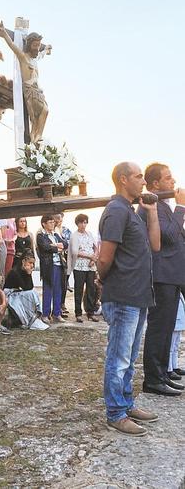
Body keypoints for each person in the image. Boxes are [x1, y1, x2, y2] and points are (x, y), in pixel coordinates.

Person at [97, 161, 161, 436]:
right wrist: (105, 280)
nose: (143, 182)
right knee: (119, 358)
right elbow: (104, 258)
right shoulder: (116, 211)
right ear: (123, 179)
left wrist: (152, 211)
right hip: (123, 296)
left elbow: (155, 246)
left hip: (138, 296)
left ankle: (126, 403)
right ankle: (115, 413)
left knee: (130, 357)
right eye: (138, 177)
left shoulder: (132, 211)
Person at [137, 163, 185, 396]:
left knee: (167, 328)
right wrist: (181, 207)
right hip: (162, 276)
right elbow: (167, 235)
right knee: (159, 328)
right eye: (168, 178)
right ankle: (153, 379)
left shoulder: (164, 205)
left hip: (173, 275)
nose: (173, 181)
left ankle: (163, 374)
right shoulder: (151, 206)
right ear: (155, 183)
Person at [67, 214, 99, 323]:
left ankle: (90, 312)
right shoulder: (74, 235)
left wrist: (93, 259)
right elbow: (75, 251)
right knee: (79, 289)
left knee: (91, 289)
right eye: (81, 222)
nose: (83, 225)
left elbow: (95, 247)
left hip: (90, 266)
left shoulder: (90, 234)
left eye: (85, 222)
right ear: (77, 223)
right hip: (79, 266)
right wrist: (89, 256)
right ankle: (78, 313)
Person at [4, 251, 48, 330]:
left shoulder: (24, 271)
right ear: (23, 261)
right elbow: (25, 287)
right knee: (31, 293)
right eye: (30, 263)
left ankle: (33, 316)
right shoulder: (15, 272)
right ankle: (26, 319)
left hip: (19, 293)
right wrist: (28, 273)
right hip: (10, 294)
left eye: (33, 263)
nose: (31, 265)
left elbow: (30, 286)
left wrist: (29, 274)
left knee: (33, 292)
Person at [37, 215, 68, 324]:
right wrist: (57, 247)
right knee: (48, 289)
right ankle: (45, 314)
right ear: (44, 224)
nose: (52, 224)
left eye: (53, 222)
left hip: (59, 265)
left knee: (58, 289)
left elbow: (65, 244)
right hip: (48, 266)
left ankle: (57, 313)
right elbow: (45, 247)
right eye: (50, 222)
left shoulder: (55, 235)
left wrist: (55, 245)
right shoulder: (41, 236)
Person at [54, 213, 72, 313]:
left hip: (66, 257)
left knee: (64, 282)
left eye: (60, 219)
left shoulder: (66, 230)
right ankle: (57, 305)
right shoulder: (52, 231)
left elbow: (68, 244)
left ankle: (62, 303)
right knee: (57, 282)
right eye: (56, 219)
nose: (58, 221)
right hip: (57, 257)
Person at [168, 294, 185, 380]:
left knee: (176, 345)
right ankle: (169, 369)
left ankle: (175, 366)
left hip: (180, 322)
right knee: (170, 346)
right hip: (174, 321)